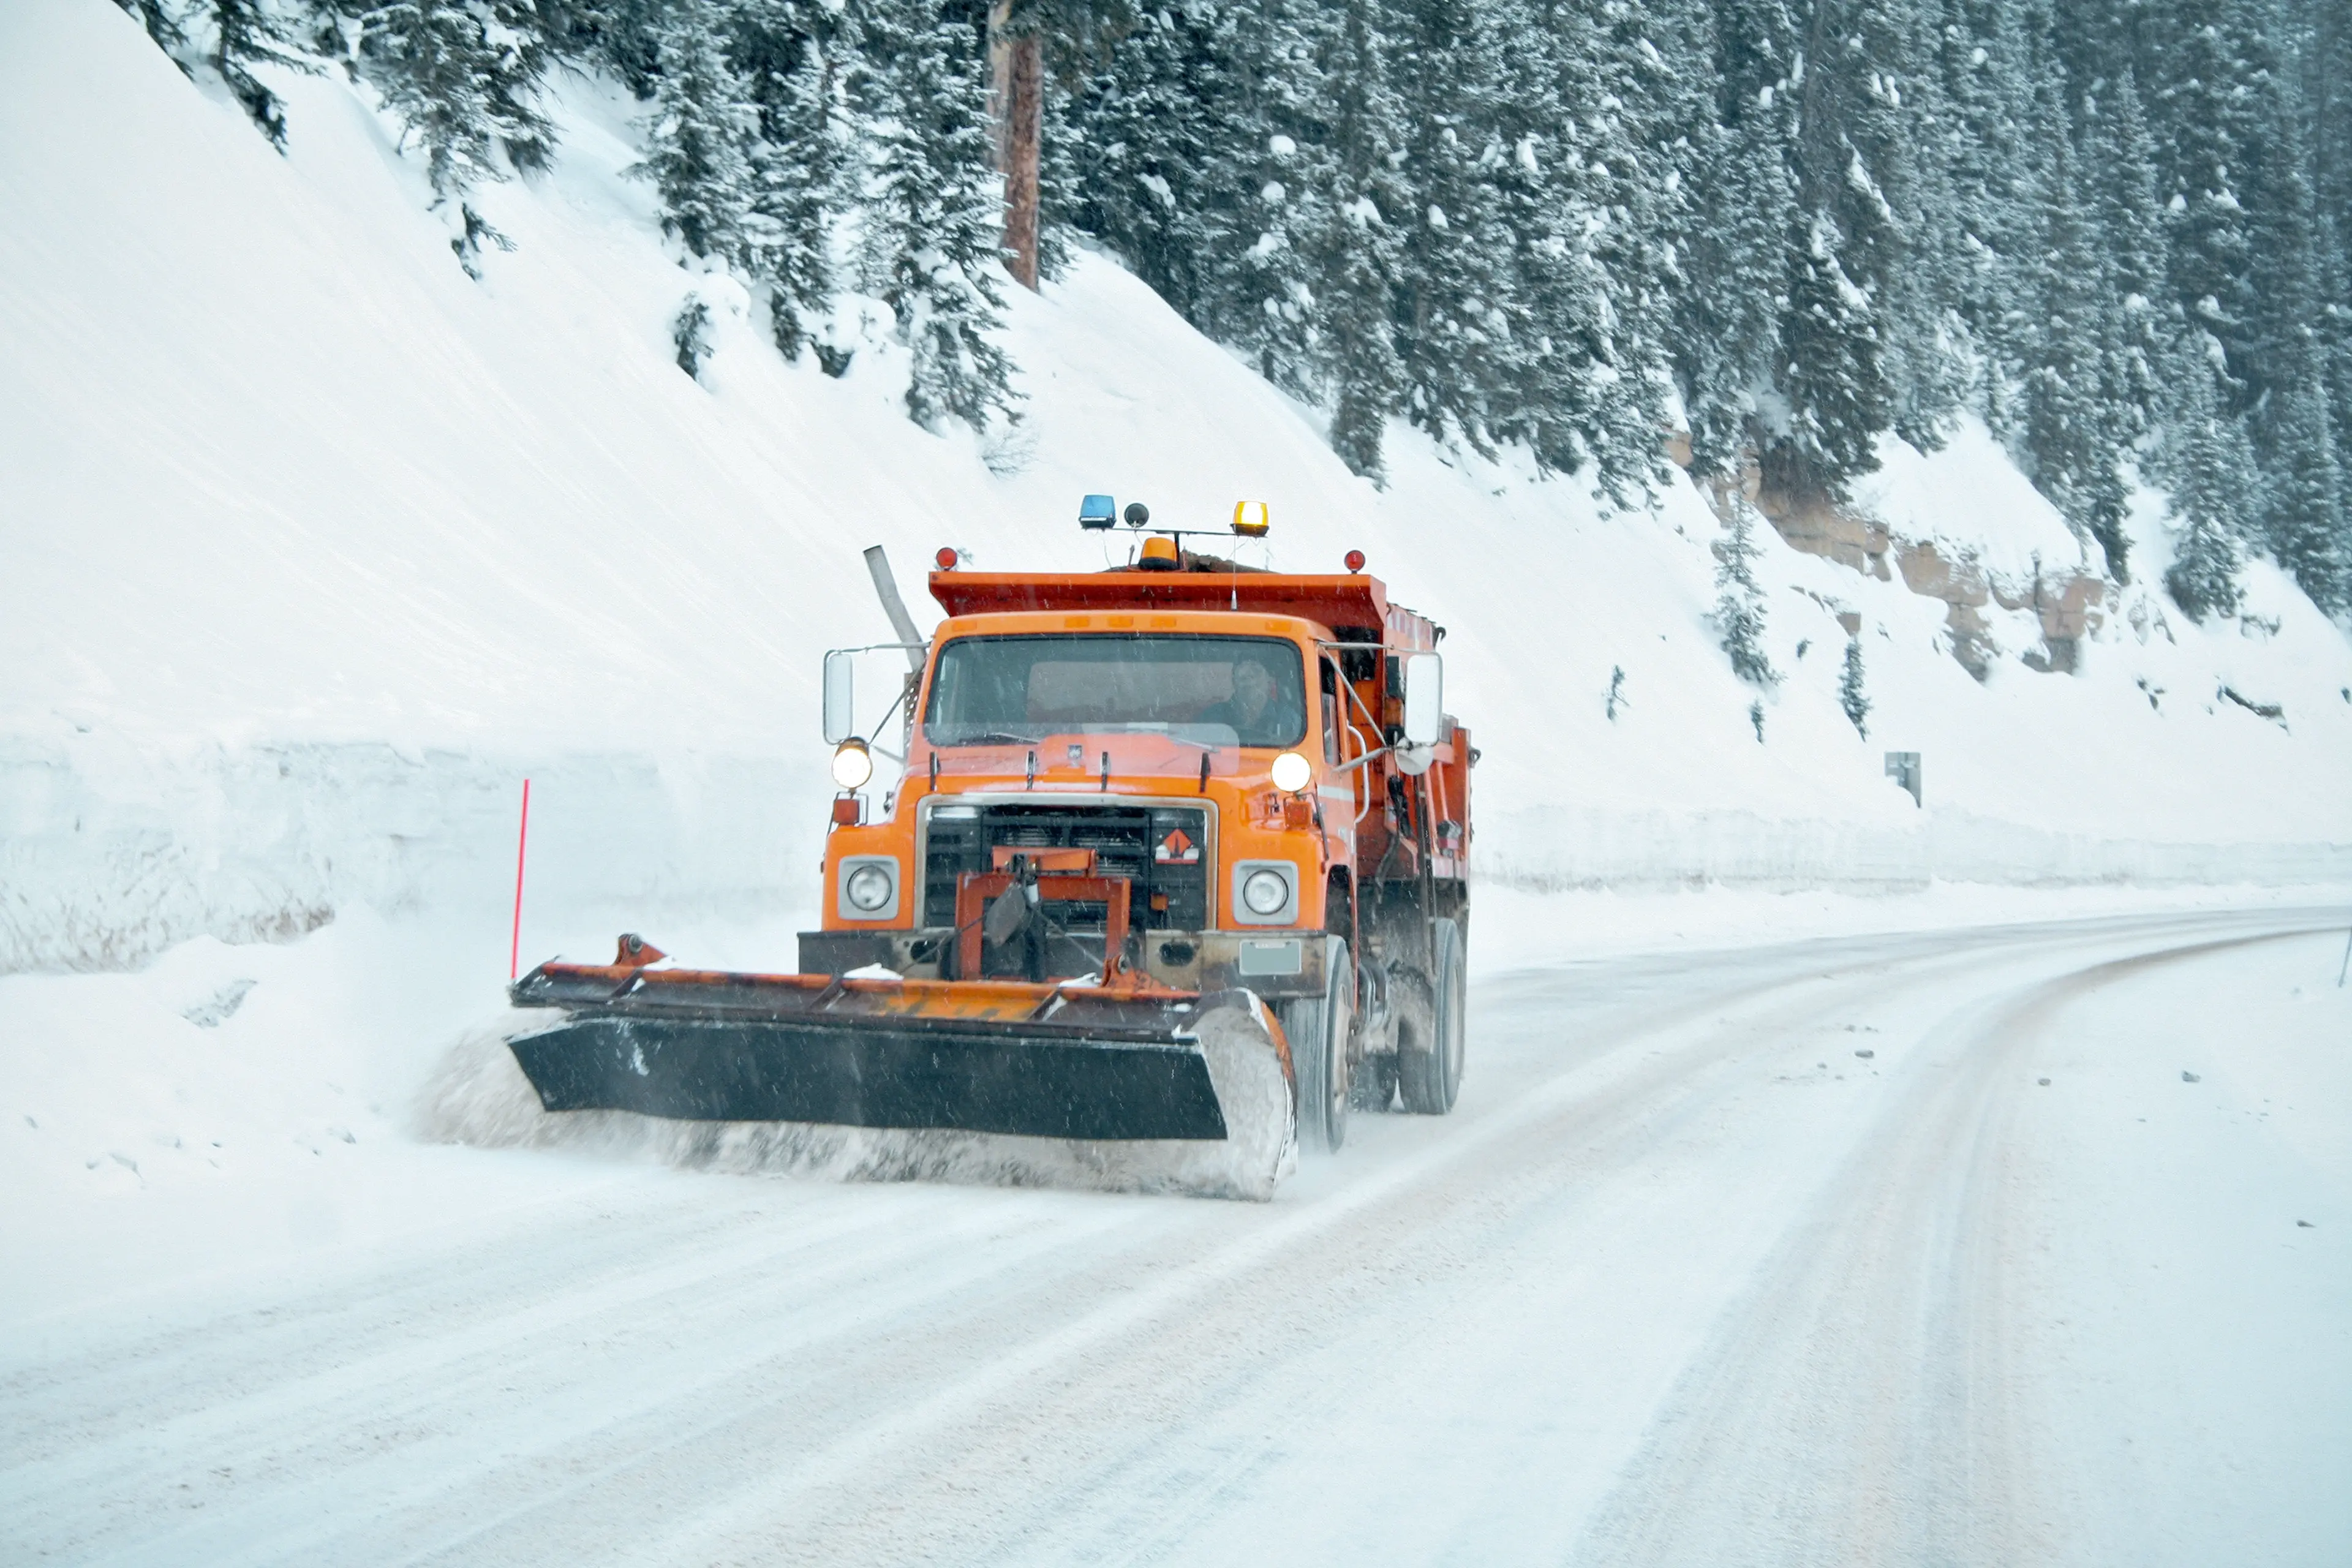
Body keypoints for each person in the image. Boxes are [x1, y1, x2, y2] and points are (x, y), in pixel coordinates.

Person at [1195, 655, 1284, 743]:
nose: (1249, 678)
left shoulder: (1287, 718)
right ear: (1234, 681)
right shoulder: (1211, 716)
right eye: (1243, 673)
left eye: (1256, 671)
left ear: (1270, 681)